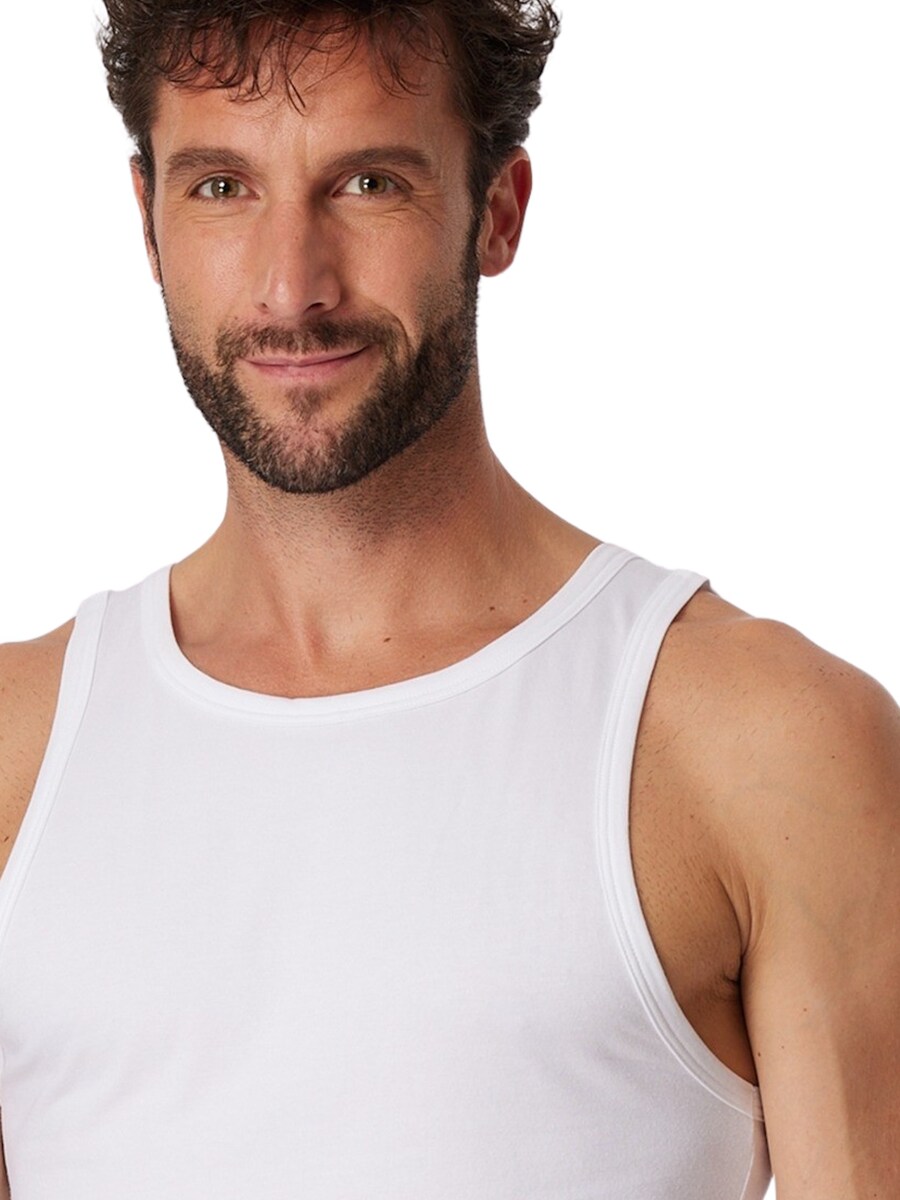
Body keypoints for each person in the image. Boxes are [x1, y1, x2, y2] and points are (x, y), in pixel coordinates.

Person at [0, 0, 896, 1195]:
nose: (291, 286)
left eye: (368, 183)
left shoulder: (763, 743)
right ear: (149, 223)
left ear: (498, 211)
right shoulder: (16, 754)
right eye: (221, 188)